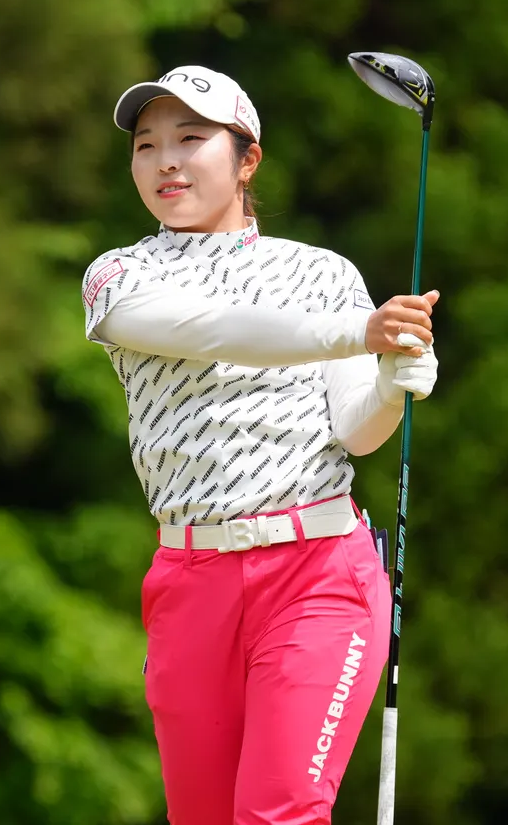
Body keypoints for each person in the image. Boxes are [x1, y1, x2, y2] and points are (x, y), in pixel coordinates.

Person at [80, 65, 441, 825]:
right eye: (146, 145)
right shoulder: (120, 277)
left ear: (248, 159)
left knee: (280, 813)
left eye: (190, 139)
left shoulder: (321, 273)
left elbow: (356, 432)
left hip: (318, 573)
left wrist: (392, 383)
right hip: (191, 581)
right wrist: (362, 331)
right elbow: (218, 330)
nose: (166, 161)